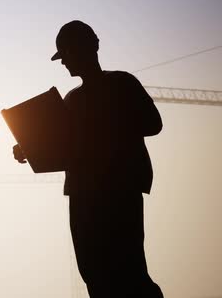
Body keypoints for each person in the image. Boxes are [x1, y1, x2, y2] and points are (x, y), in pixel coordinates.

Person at [13, 20, 164, 297]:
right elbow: (63, 147)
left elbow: (153, 124)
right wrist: (30, 147)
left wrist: (102, 125)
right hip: (83, 194)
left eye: (65, 54)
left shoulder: (122, 83)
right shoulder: (72, 99)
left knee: (129, 270)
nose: (63, 63)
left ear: (87, 48)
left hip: (117, 191)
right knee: (93, 273)